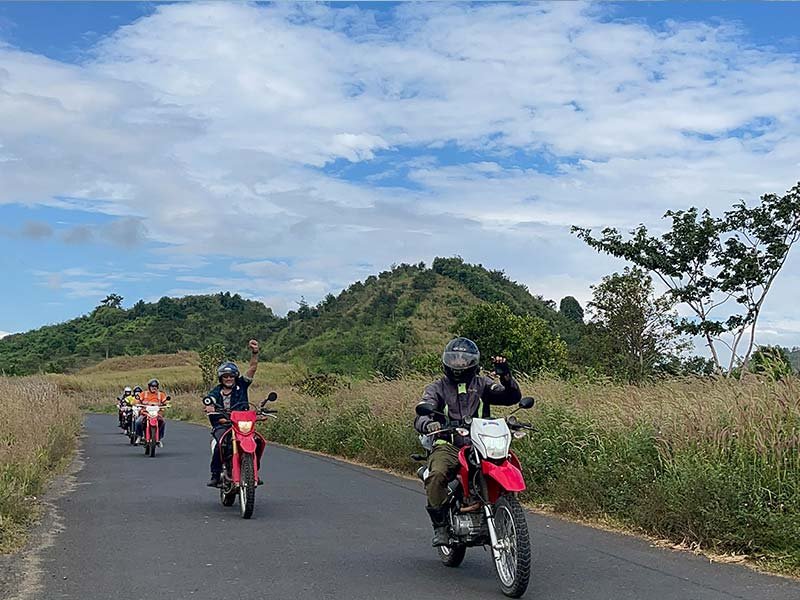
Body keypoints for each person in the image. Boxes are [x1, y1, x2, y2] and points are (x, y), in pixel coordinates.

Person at [413, 337, 522, 547]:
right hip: (449, 444)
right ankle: (441, 526)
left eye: (464, 360)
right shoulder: (437, 388)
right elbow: (422, 410)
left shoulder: (483, 385)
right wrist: (428, 424)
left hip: (480, 443)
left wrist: (506, 376)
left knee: (504, 462)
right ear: (446, 361)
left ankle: (503, 506)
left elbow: (510, 397)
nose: (459, 364)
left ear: (473, 362)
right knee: (436, 475)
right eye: (454, 359)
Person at [202, 340, 261, 487]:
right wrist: (209, 406)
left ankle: (253, 472)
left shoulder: (242, 384)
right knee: (220, 445)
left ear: (235, 377)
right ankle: (215, 475)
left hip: (242, 423)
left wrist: (255, 353)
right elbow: (210, 400)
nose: (229, 379)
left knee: (257, 442)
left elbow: (253, 368)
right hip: (223, 423)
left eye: (231, 376)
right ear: (221, 378)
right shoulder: (216, 391)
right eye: (225, 376)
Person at [135, 379, 168, 445]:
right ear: (149, 387)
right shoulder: (144, 394)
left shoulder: (161, 395)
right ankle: (139, 436)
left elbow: (165, 402)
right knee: (138, 422)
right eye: (152, 386)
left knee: (163, 422)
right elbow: (137, 401)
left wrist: (166, 404)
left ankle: (159, 439)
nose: (154, 388)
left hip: (156, 414)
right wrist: (137, 403)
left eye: (155, 386)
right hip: (145, 413)